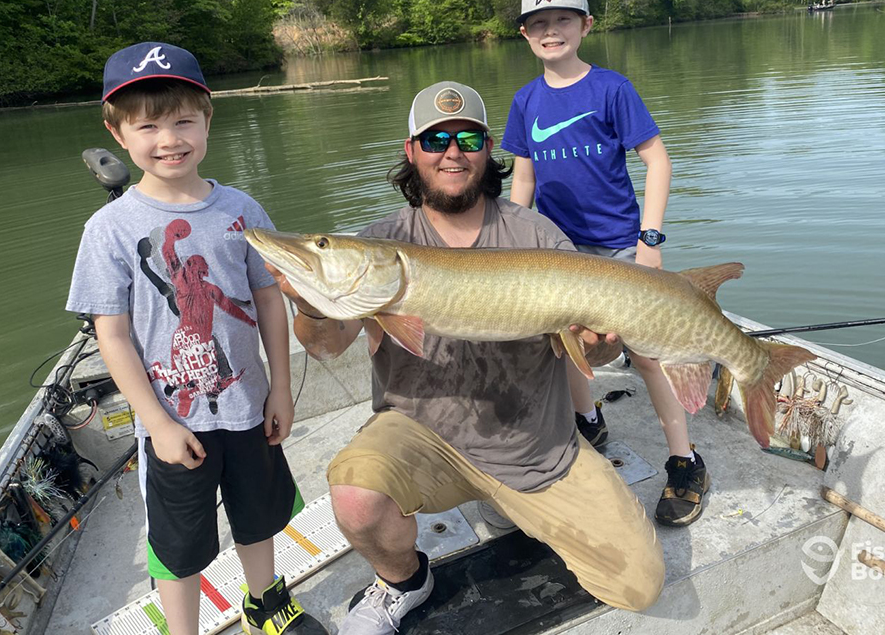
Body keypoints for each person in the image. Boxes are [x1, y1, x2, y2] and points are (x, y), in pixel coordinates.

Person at [271, 81, 664, 635]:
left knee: (640, 584)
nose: (451, 151)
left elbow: (597, 342)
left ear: (486, 150)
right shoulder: (382, 243)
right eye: (434, 139)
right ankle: (404, 582)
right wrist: (310, 304)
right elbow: (327, 345)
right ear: (411, 152)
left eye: (466, 138)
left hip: (534, 447)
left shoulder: (535, 235)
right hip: (421, 435)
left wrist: (604, 343)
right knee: (357, 497)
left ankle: (504, 504)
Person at [65, 42, 325, 635]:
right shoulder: (108, 229)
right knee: (178, 541)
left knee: (258, 515)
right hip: (172, 415)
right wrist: (156, 423)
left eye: (183, 119)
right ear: (117, 133)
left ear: (208, 117)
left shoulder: (242, 209)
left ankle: (266, 604)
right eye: (148, 124)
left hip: (248, 405)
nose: (169, 138)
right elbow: (113, 334)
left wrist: (280, 388)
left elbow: (264, 300)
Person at [502, 0, 710, 527]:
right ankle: (588, 419)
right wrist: (513, 244)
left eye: (564, 20)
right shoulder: (525, 101)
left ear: (586, 26)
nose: (552, 32)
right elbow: (522, 183)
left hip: (620, 245)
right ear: (526, 35)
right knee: (563, 342)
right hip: (557, 253)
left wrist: (650, 240)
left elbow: (658, 161)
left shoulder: (613, 89)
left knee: (646, 353)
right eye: (540, 25)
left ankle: (685, 460)